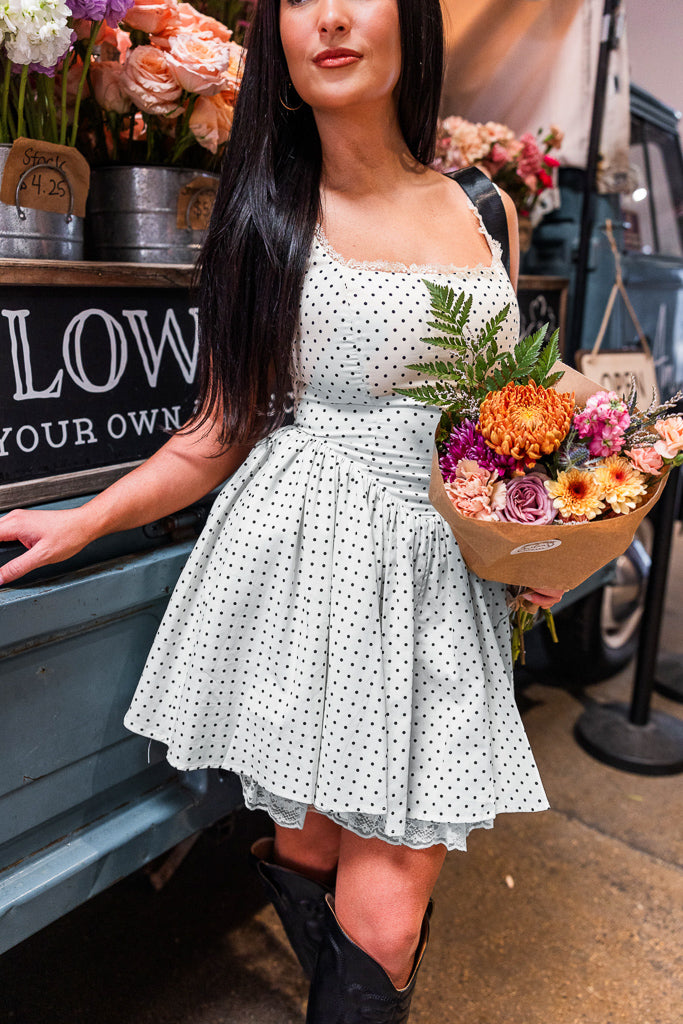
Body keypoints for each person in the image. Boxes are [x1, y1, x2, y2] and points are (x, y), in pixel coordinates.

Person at [0, 1, 563, 1020]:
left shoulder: (479, 208)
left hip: (433, 583)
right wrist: (84, 516)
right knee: (309, 843)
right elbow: (218, 430)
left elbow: (495, 416)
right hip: (305, 574)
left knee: (383, 916)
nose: (333, 18)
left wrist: (533, 522)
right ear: (277, 39)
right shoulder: (264, 212)